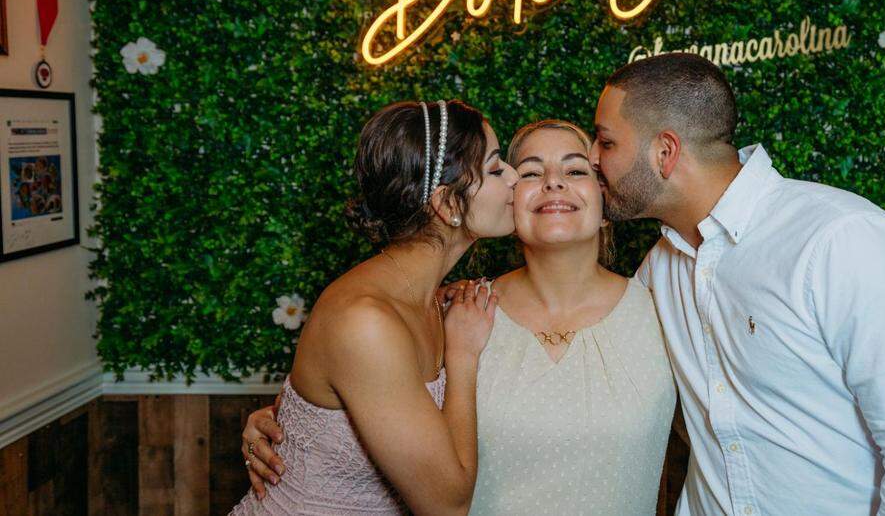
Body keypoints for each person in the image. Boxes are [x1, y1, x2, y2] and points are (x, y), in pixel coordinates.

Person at [589, 52, 885, 515]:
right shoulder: (659, 269)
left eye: (606, 142)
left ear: (665, 152)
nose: (592, 157)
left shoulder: (843, 241)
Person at [241, 119, 677, 515]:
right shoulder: (457, 316)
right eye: (514, 171)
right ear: (449, 204)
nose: (541, 182)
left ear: (605, 199)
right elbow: (348, 388)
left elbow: (352, 398)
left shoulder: (662, 307)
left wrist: (291, 421)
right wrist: (287, 425)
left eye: (576, 170)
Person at [230, 99, 518, 515]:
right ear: (448, 204)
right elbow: (447, 507)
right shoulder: (365, 322)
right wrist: (462, 357)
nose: (514, 176)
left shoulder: (432, 300)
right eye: (495, 169)